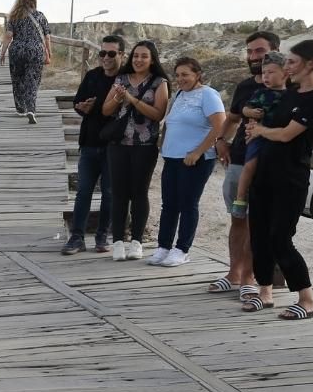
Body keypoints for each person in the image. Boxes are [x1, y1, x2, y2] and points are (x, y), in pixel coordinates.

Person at [242, 40, 313, 319]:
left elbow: (286, 134)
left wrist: (259, 130)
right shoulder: (292, 92)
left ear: (310, 64)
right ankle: (265, 293)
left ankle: (307, 299)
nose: (288, 67)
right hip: (265, 172)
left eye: (292, 62)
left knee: (280, 237)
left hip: (290, 177)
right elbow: (285, 124)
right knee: (258, 235)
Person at [211, 31, 278, 297]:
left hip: (269, 163)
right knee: (237, 219)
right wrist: (220, 140)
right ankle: (233, 273)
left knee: (257, 223)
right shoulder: (245, 87)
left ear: (274, 51)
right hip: (238, 159)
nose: (253, 57)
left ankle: (250, 277)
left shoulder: (289, 87)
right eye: (250, 51)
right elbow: (232, 118)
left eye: (259, 51)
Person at [148, 57, 225, 267]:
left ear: (197, 74)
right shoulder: (179, 94)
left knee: (188, 204)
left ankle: (182, 249)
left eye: (186, 75)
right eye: (178, 75)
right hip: (172, 157)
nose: (181, 79)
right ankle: (163, 247)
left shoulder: (208, 94)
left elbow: (219, 126)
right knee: (169, 204)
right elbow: (170, 122)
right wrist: (162, 145)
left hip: (195, 159)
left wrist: (198, 151)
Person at [102, 40, 169, 261]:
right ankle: (119, 241)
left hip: (145, 146)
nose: (138, 60)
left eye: (144, 56)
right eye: (136, 56)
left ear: (152, 59)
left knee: (139, 193)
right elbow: (106, 110)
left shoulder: (160, 82)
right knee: (119, 193)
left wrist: (131, 99)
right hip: (119, 144)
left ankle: (137, 241)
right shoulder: (120, 79)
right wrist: (118, 99)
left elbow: (158, 114)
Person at [62, 35, 124, 255]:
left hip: (114, 145)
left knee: (109, 193)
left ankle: (102, 237)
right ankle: (77, 237)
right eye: (102, 53)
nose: (105, 57)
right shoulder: (92, 76)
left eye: (111, 53)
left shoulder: (125, 80)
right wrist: (82, 107)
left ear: (121, 55)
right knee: (83, 192)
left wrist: (93, 108)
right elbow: (77, 102)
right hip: (89, 143)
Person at [229, 52, 288, 216]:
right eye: (264, 73)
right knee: (250, 165)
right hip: (257, 137)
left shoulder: (291, 96)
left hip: (276, 141)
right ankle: (240, 199)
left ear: (285, 73)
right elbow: (244, 109)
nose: (266, 76)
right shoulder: (261, 93)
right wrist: (252, 113)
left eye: (271, 72)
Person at [0, 0, 52, 123]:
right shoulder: (40, 16)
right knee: (32, 80)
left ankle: (20, 108)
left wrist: (3, 52)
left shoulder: (14, 16)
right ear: (34, 1)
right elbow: (47, 37)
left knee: (18, 79)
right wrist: (49, 54)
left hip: (17, 50)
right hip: (35, 51)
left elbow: (8, 36)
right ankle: (31, 109)